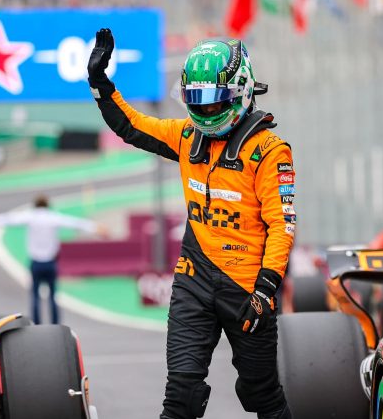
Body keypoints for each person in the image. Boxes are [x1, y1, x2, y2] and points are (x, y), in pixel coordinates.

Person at [87, 29, 295, 419]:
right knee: (181, 393)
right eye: (196, 101)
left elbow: (281, 225)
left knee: (261, 395)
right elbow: (131, 126)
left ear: (239, 92)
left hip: (247, 289)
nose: (205, 111)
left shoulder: (270, 151)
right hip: (193, 281)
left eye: (213, 101)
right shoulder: (186, 135)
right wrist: (100, 83)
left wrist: (266, 290)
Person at [0, 194, 108, 324]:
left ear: (35, 205)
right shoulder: (53, 217)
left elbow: (10, 219)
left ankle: (37, 325)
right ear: (47, 205)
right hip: (50, 263)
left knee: (35, 296)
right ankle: (55, 324)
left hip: (36, 263)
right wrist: (95, 227)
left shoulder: (31, 216)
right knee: (53, 296)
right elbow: (74, 223)